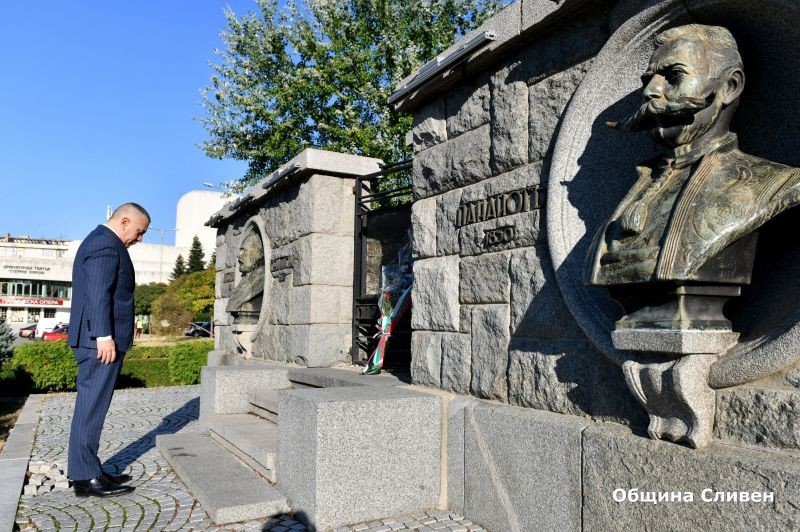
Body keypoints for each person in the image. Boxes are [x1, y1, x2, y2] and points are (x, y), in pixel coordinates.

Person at [587, 24, 800, 286]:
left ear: (730, 86)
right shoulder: (642, 179)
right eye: (648, 80)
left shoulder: (779, 184)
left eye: (674, 75)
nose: (650, 91)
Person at [67, 203, 150, 497]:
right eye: (139, 231)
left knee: (92, 407)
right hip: (99, 342)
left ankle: (88, 468)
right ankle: (85, 477)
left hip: (98, 340)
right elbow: (97, 293)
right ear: (124, 221)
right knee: (91, 408)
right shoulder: (105, 243)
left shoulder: (103, 241)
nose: (139, 238)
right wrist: (103, 336)